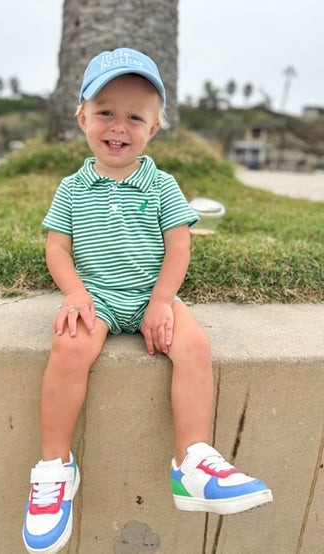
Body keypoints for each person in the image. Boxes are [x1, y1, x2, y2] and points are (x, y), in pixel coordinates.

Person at [23, 47, 273, 554]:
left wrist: (163, 301)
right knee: (69, 346)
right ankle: (54, 470)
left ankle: (194, 463)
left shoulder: (161, 185)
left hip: (151, 297)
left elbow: (179, 244)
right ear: (82, 119)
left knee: (196, 345)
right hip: (97, 298)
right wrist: (75, 293)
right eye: (105, 112)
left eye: (135, 116)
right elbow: (57, 246)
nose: (119, 126)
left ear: (154, 128)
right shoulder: (72, 188)